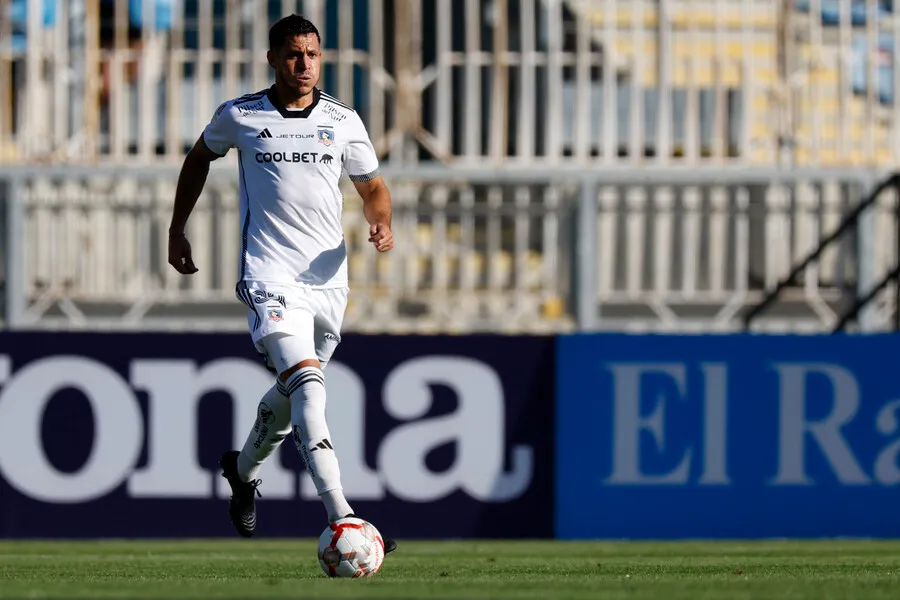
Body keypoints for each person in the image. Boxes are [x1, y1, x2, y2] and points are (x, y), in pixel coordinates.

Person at [166, 13, 396, 554]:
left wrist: (382, 221)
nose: (304, 64)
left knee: (293, 399)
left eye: (312, 54)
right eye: (294, 54)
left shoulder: (342, 119)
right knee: (310, 389)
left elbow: (373, 189)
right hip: (268, 274)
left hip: (327, 281)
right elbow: (198, 159)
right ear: (273, 59)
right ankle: (344, 518)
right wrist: (177, 229)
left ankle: (242, 472)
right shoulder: (242, 115)